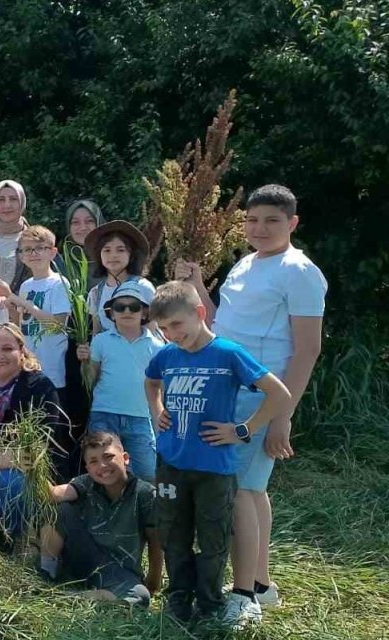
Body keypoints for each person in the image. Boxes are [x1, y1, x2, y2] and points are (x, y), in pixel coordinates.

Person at [175, 184, 327, 614]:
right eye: (253, 220)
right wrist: (197, 284)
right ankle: (261, 585)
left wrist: (282, 415)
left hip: (259, 396)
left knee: (239, 490)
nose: (260, 229)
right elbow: (221, 325)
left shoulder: (299, 271)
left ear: (292, 224)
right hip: (228, 390)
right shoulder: (245, 263)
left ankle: (242, 598)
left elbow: (308, 348)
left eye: (272, 221)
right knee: (253, 490)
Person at [143, 281, 291, 628]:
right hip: (171, 463)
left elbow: (278, 394)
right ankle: (178, 599)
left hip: (214, 467)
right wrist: (157, 408)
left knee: (213, 539)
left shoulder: (228, 353)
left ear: (199, 314)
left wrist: (243, 430)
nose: (170, 334)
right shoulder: (166, 355)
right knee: (174, 536)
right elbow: (150, 382)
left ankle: (209, 604)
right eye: (162, 329)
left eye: (176, 325)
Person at [0, 324, 68, 534]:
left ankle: (24, 539)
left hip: (26, 471)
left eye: (7, 349)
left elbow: (34, 452)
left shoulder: (39, 387)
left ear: (21, 350)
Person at [39, 431, 162, 608]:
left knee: (140, 596)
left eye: (108, 457)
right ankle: (46, 574)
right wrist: (33, 468)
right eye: (94, 461)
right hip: (84, 557)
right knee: (60, 509)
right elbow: (52, 495)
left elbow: (156, 541)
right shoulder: (86, 483)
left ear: (125, 458)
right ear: (87, 468)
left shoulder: (145, 494)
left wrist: (154, 580)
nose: (102, 465)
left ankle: (68, 598)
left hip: (118, 571)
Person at [77, 281, 164, 482]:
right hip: (104, 413)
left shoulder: (158, 346)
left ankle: (142, 512)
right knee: (103, 472)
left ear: (144, 313)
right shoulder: (101, 340)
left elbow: (160, 388)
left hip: (140, 417)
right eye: (119, 307)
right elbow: (91, 380)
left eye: (134, 307)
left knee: (147, 473)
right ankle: (104, 511)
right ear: (111, 313)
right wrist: (85, 362)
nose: (127, 311)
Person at [9, 226, 71, 392]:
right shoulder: (25, 286)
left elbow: (58, 325)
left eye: (39, 248)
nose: (33, 254)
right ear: (21, 256)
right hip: (28, 367)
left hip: (52, 371)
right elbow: (22, 326)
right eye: (27, 249)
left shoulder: (59, 284)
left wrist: (29, 305)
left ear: (52, 252)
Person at [83, 221, 155, 335]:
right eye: (107, 250)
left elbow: (152, 331)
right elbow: (97, 333)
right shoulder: (96, 293)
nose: (113, 255)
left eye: (120, 250)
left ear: (131, 254)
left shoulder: (143, 287)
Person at [0, 180, 31, 291]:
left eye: (13, 199)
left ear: (22, 203)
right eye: (1, 200)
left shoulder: (36, 240)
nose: (7, 205)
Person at [62, 199, 104, 290]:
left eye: (89, 221)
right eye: (75, 222)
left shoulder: (114, 258)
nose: (83, 228)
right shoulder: (59, 264)